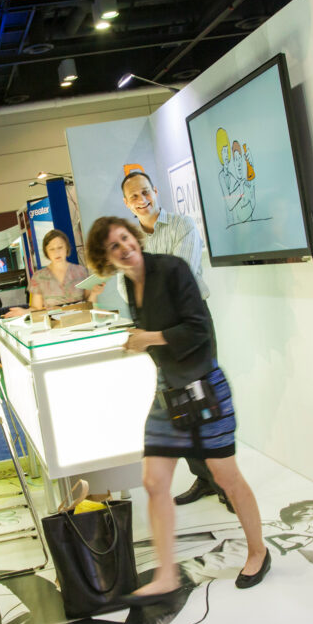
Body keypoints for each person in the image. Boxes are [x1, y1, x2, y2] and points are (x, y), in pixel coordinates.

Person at [85, 216, 270, 603]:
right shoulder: (127, 286)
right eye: (113, 247)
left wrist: (148, 338)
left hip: (204, 388)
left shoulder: (172, 269)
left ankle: (258, 551)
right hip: (167, 393)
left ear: (134, 236)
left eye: (125, 238)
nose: (124, 248)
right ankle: (167, 575)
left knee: (226, 477)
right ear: (106, 259)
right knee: (153, 482)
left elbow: (198, 328)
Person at [120, 171, 227, 512]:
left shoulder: (182, 226)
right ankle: (205, 478)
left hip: (189, 327)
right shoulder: (130, 239)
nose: (142, 199)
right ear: (127, 203)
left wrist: (144, 286)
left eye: (146, 192)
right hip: (156, 334)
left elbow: (182, 274)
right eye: (134, 196)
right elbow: (127, 289)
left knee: (205, 402)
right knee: (180, 406)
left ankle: (225, 482)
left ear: (156, 192)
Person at [5, 230, 99, 318]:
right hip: (55, 327)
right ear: (46, 251)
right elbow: (36, 308)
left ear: (67, 247)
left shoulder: (81, 271)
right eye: (51, 249)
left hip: (83, 321)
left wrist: (95, 292)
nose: (56, 252)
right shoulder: (39, 277)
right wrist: (24, 312)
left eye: (60, 247)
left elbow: (89, 303)